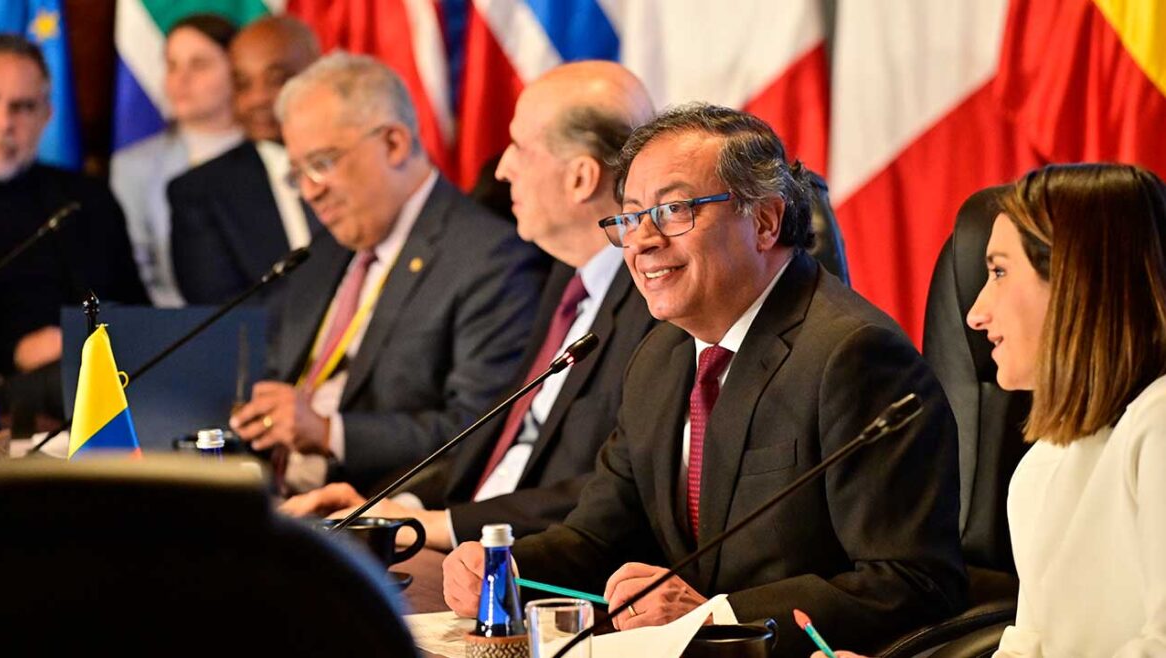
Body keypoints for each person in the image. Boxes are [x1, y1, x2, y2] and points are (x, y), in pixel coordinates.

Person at [442, 104, 967, 657]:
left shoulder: (854, 355)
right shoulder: (660, 355)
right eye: (630, 217)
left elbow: (912, 582)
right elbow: (599, 536)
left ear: (764, 221)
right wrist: (505, 570)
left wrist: (718, 617)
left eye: (673, 210)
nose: (642, 241)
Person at [280, 61, 657, 550]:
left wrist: (442, 526)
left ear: (580, 178)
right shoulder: (567, 280)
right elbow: (491, 442)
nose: (501, 169)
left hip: (534, 565)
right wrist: (387, 511)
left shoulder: (653, 304)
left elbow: (617, 488)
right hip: (462, 541)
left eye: (519, 148)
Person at [228, 53, 545, 495]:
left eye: (322, 163)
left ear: (394, 143)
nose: (310, 192)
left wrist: (330, 433)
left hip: (373, 509)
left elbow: (478, 429)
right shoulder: (321, 254)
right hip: (266, 498)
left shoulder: (490, 258)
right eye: (298, 174)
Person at [963, 164, 1166, 656]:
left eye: (999, 272)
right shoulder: (1039, 469)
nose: (975, 313)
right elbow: (1030, 649)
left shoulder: (1158, 424)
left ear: (1076, 279)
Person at [0, 35, 148, 430]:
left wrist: (81, 339)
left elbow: (137, 309)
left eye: (22, 107)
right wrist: (14, 349)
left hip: (100, 375)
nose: (4, 123)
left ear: (47, 115)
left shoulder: (86, 200)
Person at [166, 15, 320, 305]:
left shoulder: (364, 164)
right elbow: (223, 313)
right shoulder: (198, 193)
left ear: (318, 73)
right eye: (242, 84)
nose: (257, 98)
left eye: (277, 80)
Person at [111, 14, 243, 307]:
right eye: (172, 65)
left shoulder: (274, 154)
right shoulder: (133, 166)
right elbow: (133, 275)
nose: (180, 80)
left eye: (199, 64)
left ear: (236, 70)